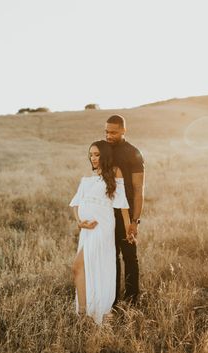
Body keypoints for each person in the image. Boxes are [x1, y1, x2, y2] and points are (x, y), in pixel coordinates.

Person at [69, 140, 132, 324]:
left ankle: (93, 311)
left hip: (101, 227)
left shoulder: (114, 172)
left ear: (104, 155)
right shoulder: (87, 179)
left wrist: (129, 228)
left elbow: (122, 205)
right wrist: (80, 223)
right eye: (91, 154)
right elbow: (75, 203)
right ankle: (83, 313)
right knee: (84, 268)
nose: (93, 158)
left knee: (78, 266)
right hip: (86, 230)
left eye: (97, 154)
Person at [105, 114, 145, 305]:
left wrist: (135, 221)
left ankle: (132, 300)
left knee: (129, 256)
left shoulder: (133, 153)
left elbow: (138, 190)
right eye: (106, 131)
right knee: (109, 256)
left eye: (113, 132)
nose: (109, 135)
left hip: (125, 213)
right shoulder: (103, 150)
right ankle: (111, 299)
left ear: (123, 131)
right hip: (104, 212)